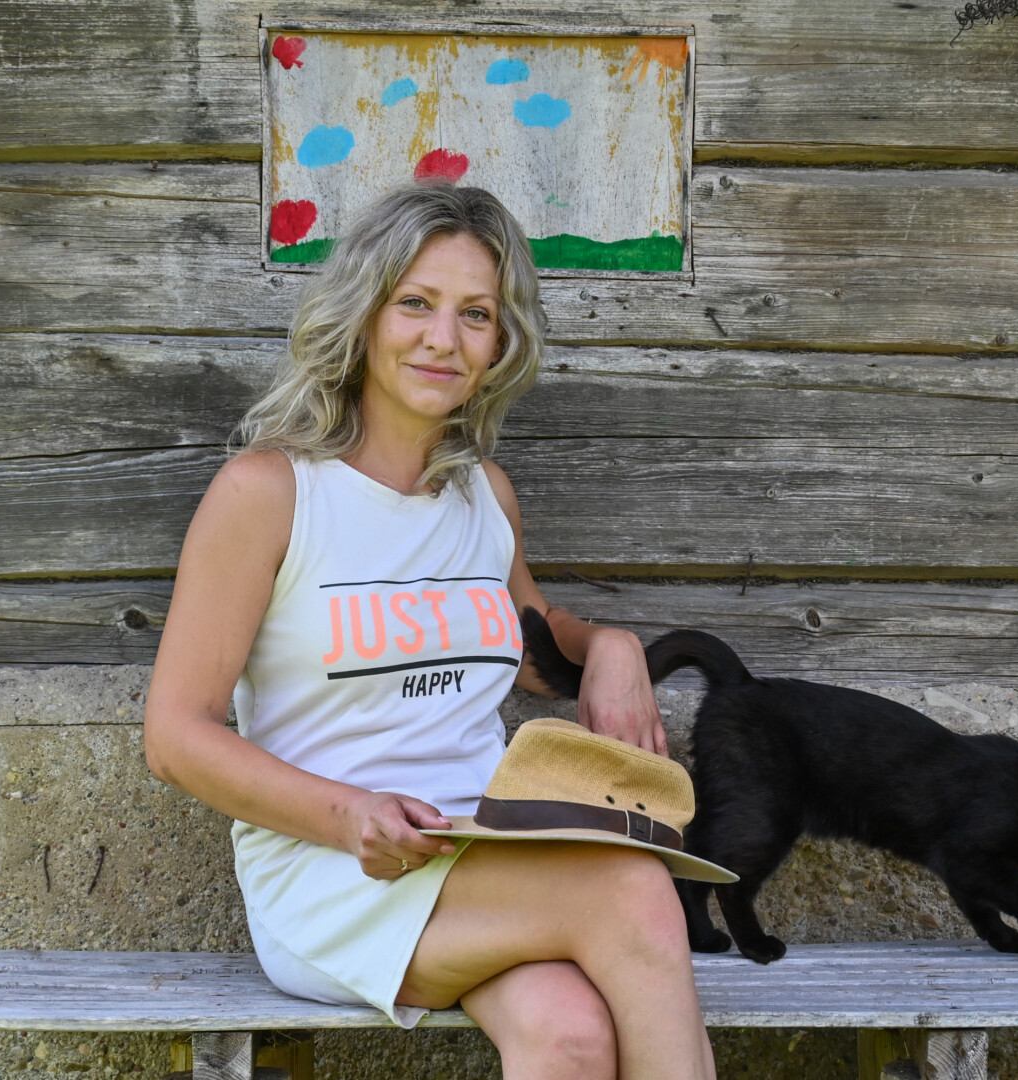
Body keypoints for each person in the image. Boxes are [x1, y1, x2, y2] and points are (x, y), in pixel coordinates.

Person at [143, 182, 716, 1080]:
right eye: (415, 303)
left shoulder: (483, 496)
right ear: (365, 313)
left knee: (567, 1034)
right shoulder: (270, 492)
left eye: (475, 314)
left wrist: (608, 647)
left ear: (500, 343)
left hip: (489, 848)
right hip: (339, 870)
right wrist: (348, 814)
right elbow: (175, 737)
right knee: (635, 890)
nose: (443, 338)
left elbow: (531, 649)